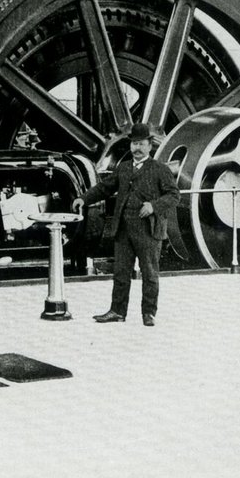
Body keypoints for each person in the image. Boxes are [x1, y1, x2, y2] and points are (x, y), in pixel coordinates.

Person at [73, 122, 179, 326]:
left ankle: (149, 313)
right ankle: (117, 311)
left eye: (140, 144)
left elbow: (174, 195)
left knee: (149, 273)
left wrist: (154, 206)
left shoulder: (160, 169)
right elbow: (104, 188)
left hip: (148, 230)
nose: (136, 148)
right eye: (133, 144)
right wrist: (83, 199)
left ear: (150, 145)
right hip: (123, 230)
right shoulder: (123, 167)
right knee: (121, 273)